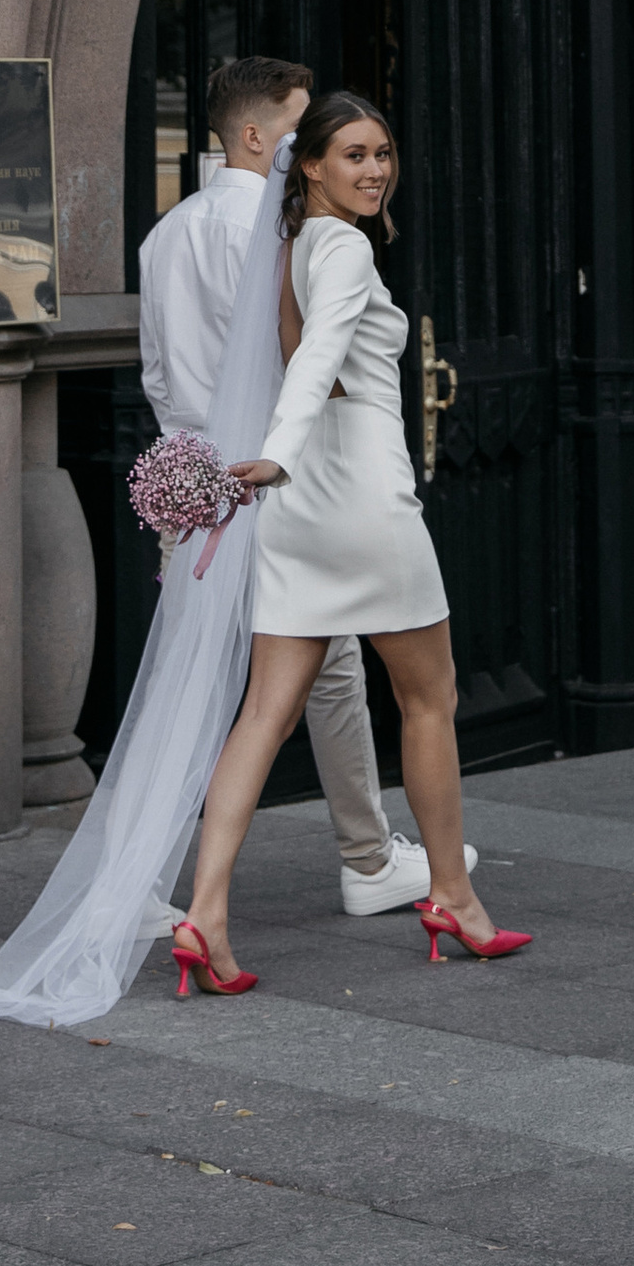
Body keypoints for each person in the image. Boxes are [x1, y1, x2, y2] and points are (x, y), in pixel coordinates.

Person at [171, 89, 531, 994]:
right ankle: (454, 896)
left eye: (382, 153)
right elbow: (323, 356)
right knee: (430, 699)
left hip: (297, 518)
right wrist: (275, 457)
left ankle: (206, 914)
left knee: (264, 713)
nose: (374, 170)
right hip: (362, 506)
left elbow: (291, 363)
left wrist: (274, 470)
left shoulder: (287, 247)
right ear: (313, 168)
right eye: (355, 156)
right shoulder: (339, 248)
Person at [136, 55, 448, 919]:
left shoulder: (166, 234)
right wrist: (281, 452)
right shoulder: (289, 234)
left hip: (198, 480)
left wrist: (186, 469)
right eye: (303, 130)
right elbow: (311, 361)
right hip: (278, 480)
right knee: (330, 679)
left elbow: (160, 376)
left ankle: (147, 875)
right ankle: (369, 856)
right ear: (258, 138)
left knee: (197, 684)